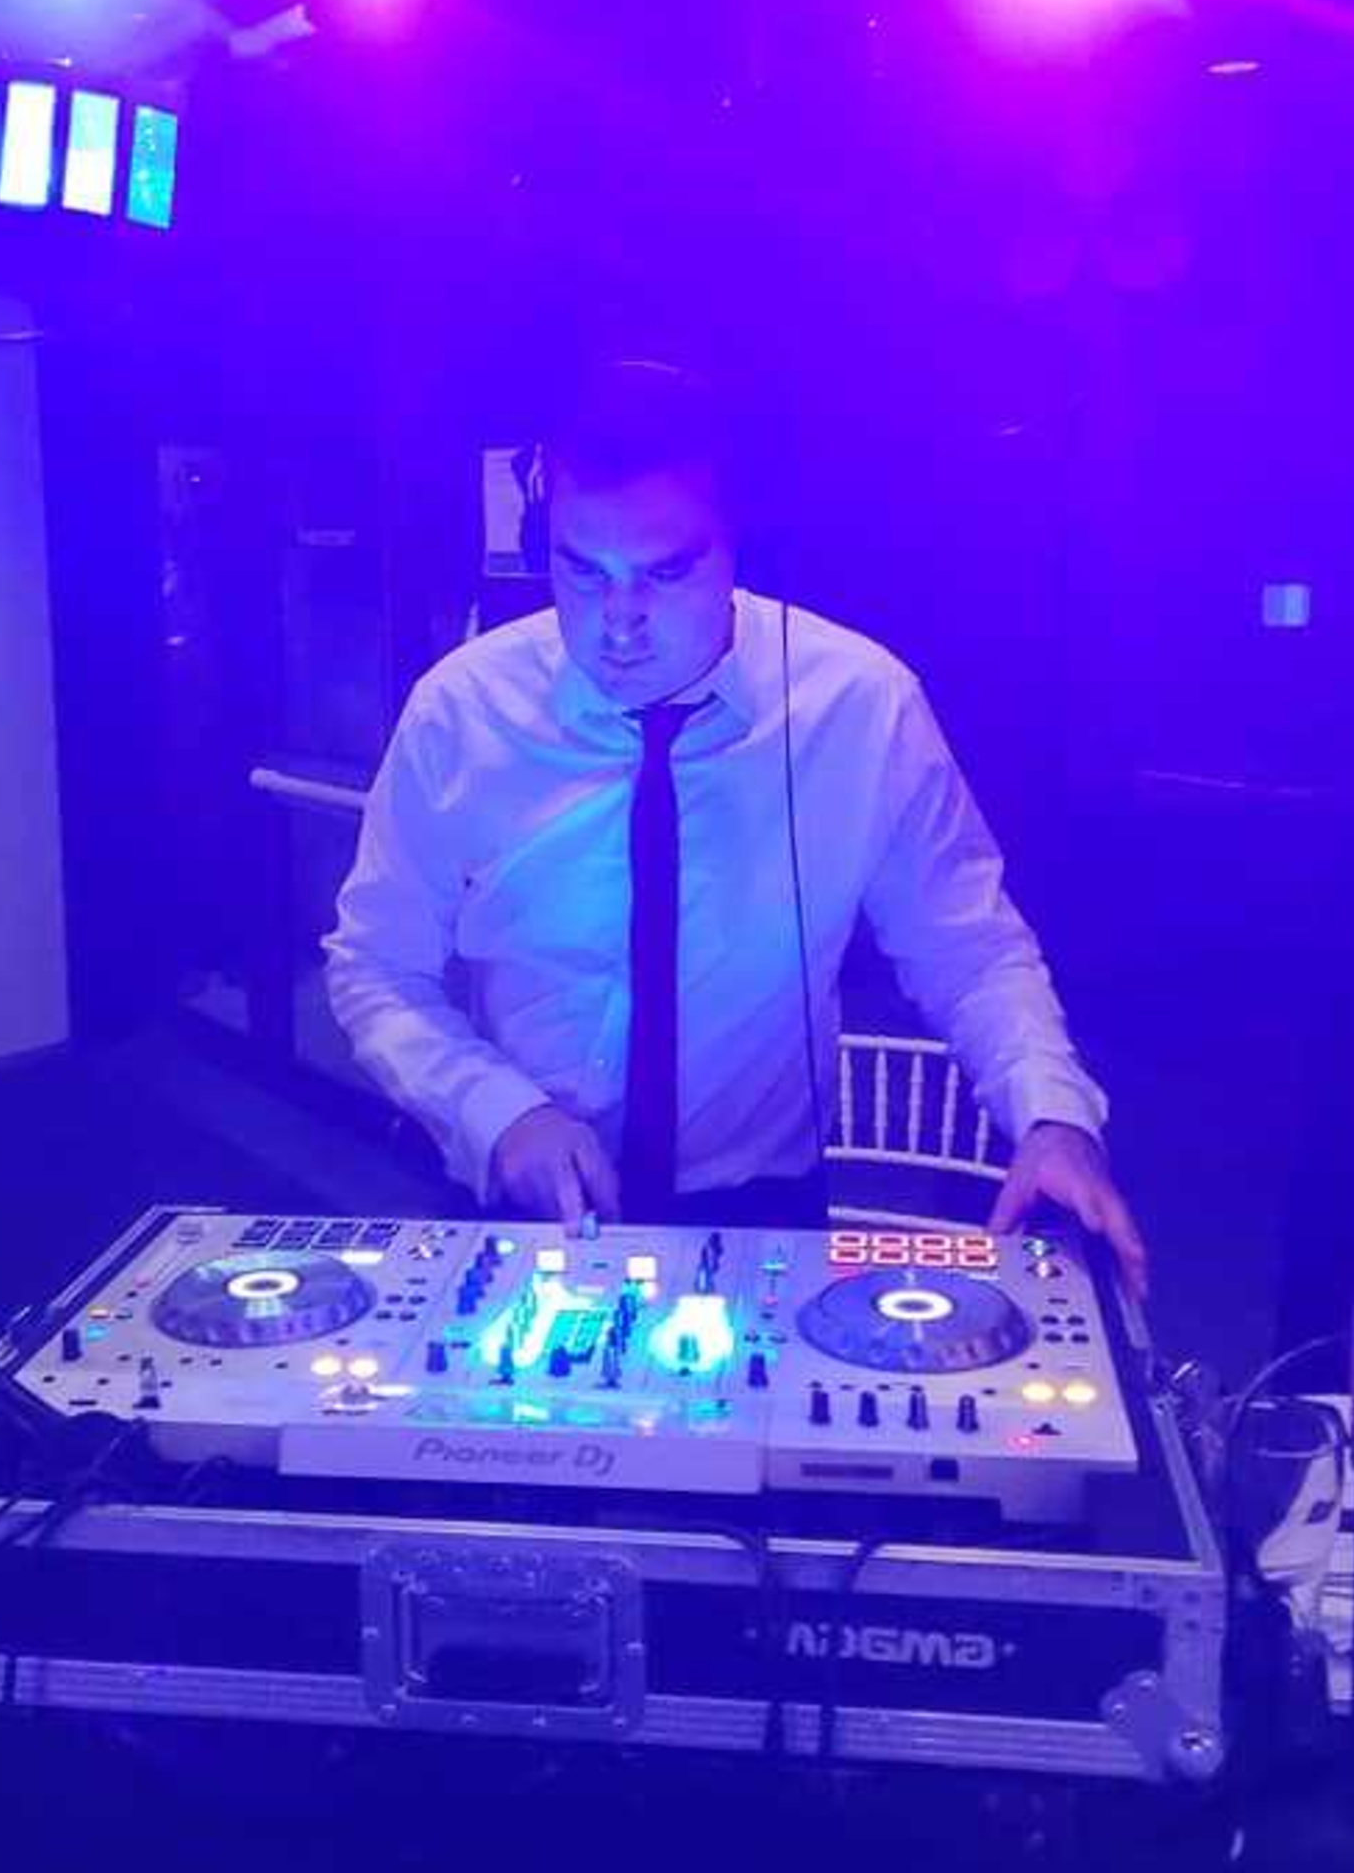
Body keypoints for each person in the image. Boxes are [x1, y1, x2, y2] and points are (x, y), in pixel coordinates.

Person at [324, 359, 1146, 1285]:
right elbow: (374, 967)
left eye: (665, 573)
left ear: (742, 548)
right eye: (581, 571)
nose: (617, 624)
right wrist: (494, 1109)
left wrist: (1054, 1115)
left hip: (763, 1216)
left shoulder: (860, 704)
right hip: (515, 1205)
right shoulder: (459, 710)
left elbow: (970, 948)